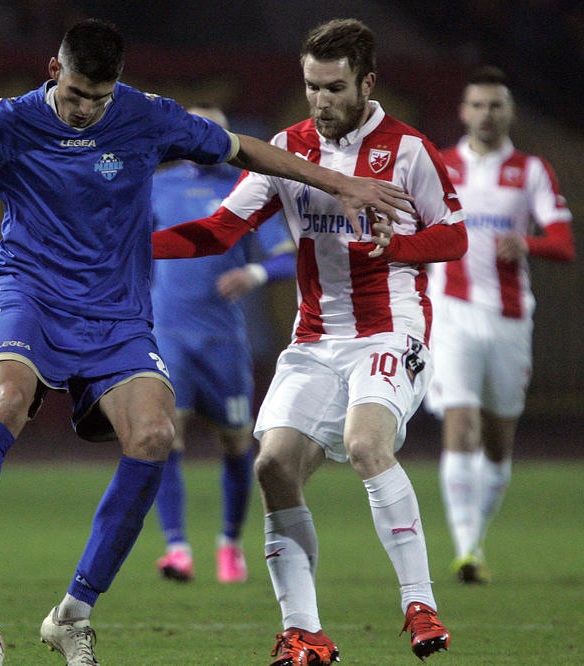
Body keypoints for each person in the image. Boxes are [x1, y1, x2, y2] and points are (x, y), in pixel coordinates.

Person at [0, 18, 415, 665]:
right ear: (52, 72)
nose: (85, 111)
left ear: (115, 87)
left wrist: (340, 182)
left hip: (117, 315)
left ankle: (73, 615)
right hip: (29, 295)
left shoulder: (146, 115)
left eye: (97, 98)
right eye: (73, 94)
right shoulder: (0, 125)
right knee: (6, 398)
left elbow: (245, 149)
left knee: (155, 438)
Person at [152, 18, 466, 664]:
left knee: (364, 443)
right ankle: (304, 631)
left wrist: (398, 245)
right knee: (272, 465)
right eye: (310, 87)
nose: (319, 101)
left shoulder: (407, 151)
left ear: (367, 83)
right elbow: (216, 231)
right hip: (316, 340)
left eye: (333, 87)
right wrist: (131, 247)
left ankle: (420, 602)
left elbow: (454, 237)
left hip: (388, 327)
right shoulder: (288, 149)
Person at [425, 66, 575, 584]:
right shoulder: (440, 167)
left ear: (509, 112)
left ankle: (476, 538)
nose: (487, 115)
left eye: (496, 106)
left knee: (497, 441)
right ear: (463, 112)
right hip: (452, 314)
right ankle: (467, 549)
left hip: (510, 317)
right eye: (478, 105)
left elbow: (563, 243)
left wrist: (527, 243)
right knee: (459, 423)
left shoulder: (531, 170)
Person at [149, 104, 297, 585]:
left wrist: (253, 272)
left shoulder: (246, 187)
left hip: (224, 340)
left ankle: (229, 545)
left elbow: (286, 258)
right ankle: (176, 548)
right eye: (195, 127)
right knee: (165, 438)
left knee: (236, 443)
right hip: (168, 335)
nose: (204, 136)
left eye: (215, 128)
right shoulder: (156, 183)